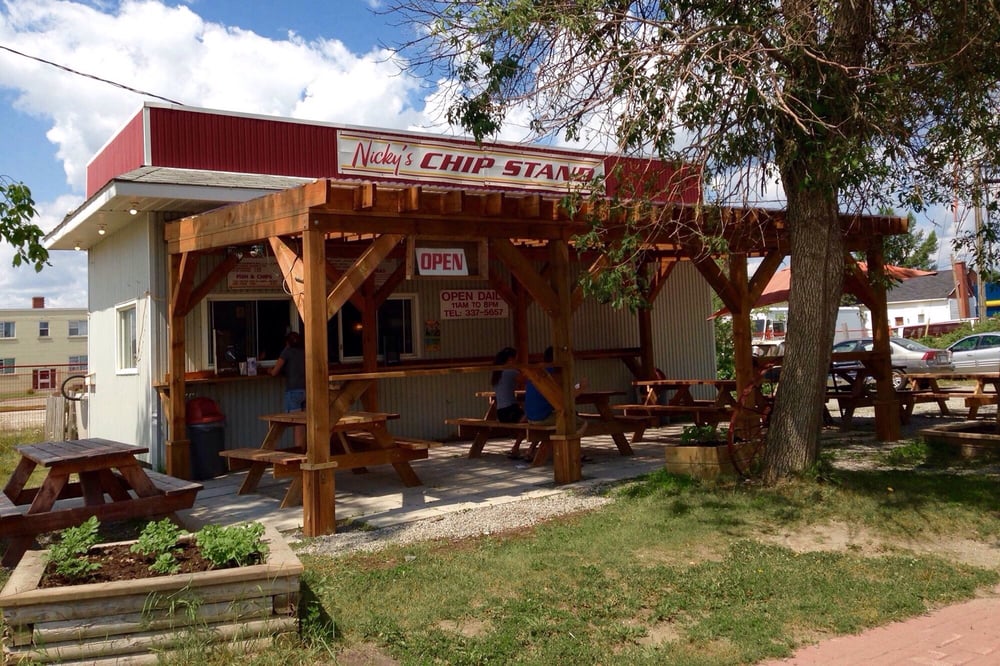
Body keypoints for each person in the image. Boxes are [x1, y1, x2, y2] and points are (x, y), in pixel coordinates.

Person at [522, 346, 588, 460]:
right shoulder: (555, 374)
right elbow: (565, 399)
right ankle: (574, 453)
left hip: (531, 417)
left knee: (560, 417)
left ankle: (531, 450)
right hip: (542, 418)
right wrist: (582, 388)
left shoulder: (538, 370)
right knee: (579, 423)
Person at [270, 330, 306, 447]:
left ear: (287, 342)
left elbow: (275, 372)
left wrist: (268, 370)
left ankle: (298, 452)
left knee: (296, 423)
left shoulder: (287, 351)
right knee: (304, 423)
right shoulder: (304, 351)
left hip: (293, 391)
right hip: (306, 390)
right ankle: (306, 450)